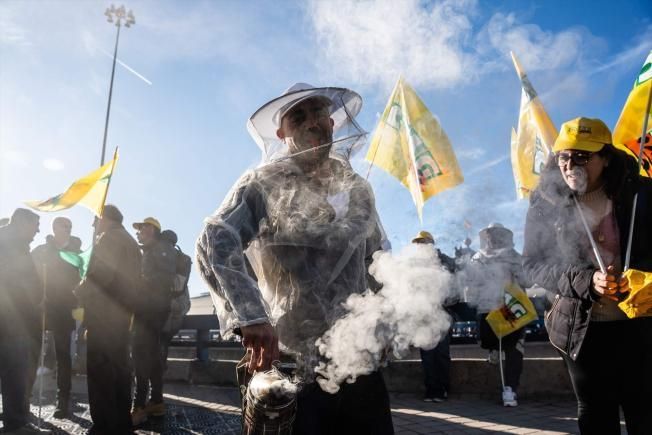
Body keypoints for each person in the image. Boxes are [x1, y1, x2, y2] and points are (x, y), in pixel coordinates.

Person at [196, 83, 394, 434]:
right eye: (298, 117)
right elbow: (216, 239)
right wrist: (252, 316)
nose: (311, 122)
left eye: (318, 112)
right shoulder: (264, 182)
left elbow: (375, 259)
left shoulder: (357, 188)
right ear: (282, 134)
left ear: (332, 122)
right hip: (294, 358)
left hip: (358, 355)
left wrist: (383, 324)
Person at [523, 117, 652, 434]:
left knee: (645, 410)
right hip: (581, 329)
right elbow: (533, 265)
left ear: (605, 158)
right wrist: (587, 282)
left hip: (641, 325)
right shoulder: (545, 202)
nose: (570, 165)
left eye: (582, 156)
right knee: (595, 413)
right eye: (563, 156)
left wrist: (642, 277)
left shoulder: (641, 193)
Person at [75, 205, 141, 435]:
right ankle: (122, 423)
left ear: (105, 219)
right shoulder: (131, 242)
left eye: (96, 220)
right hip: (121, 316)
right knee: (120, 372)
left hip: (103, 316)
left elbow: (100, 275)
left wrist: (78, 291)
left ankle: (104, 425)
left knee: (101, 374)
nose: (94, 225)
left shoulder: (109, 238)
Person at [463, 223, 531, 407]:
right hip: (490, 308)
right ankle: (494, 351)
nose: (493, 239)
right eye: (490, 235)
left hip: (511, 307)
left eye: (496, 235)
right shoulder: (477, 258)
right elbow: (471, 284)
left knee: (514, 349)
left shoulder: (513, 256)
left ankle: (510, 389)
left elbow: (527, 280)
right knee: (493, 342)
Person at [0, 209, 51, 434]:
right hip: (13, 321)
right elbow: (22, 284)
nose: (37, 231)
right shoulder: (13, 245)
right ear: (22, 223)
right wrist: (38, 298)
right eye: (35, 225)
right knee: (15, 375)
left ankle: (16, 420)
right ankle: (16, 424)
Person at [30, 217, 82, 418]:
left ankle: (63, 400)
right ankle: (25, 397)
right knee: (32, 353)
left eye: (70, 226)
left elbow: (82, 277)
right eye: (63, 226)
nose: (67, 229)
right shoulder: (41, 250)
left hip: (64, 309)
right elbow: (29, 273)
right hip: (41, 307)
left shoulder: (76, 253)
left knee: (63, 355)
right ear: (54, 228)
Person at [129, 217, 176, 426]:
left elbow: (163, 280)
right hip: (150, 311)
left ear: (151, 229)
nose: (138, 232)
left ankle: (139, 406)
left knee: (141, 356)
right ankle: (156, 402)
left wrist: (137, 284)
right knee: (153, 357)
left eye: (141, 228)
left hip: (151, 312)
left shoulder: (161, 249)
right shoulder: (152, 250)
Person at [411, 230, 455, 403]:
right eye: (418, 243)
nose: (420, 245)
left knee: (441, 353)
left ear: (431, 243)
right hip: (423, 314)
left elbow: (454, 276)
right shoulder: (413, 264)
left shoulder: (443, 260)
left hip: (442, 312)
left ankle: (443, 388)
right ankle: (431, 389)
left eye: (423, 242)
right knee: (427, 355)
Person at [159, 229, 191, 370]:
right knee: (163, 340)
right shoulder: (182, 258)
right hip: (181, 304)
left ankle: (158, 368)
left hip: (169, 305)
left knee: (159, 339)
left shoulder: (166, 257)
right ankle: (160, 367)